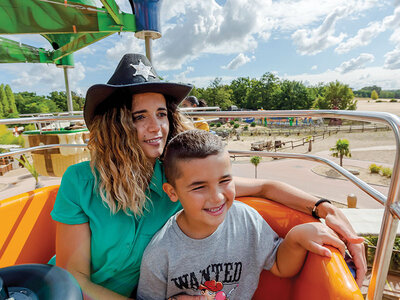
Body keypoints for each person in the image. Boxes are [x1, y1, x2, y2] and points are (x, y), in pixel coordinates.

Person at [51, 53, 365, 300]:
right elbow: (72, 277)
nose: (156, 127)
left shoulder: (180, 181)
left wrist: (325, 208)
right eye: (139, 117)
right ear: (116, 123)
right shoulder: (80, 181)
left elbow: (266, 186)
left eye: (161, 114)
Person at [137, 130, 346, 300]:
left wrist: (297, 237)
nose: (217, 197)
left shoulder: (246, 219)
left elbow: (281, 266)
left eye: (224, 181)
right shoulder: (159, 254)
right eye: (199, 187)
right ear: (172, 192)